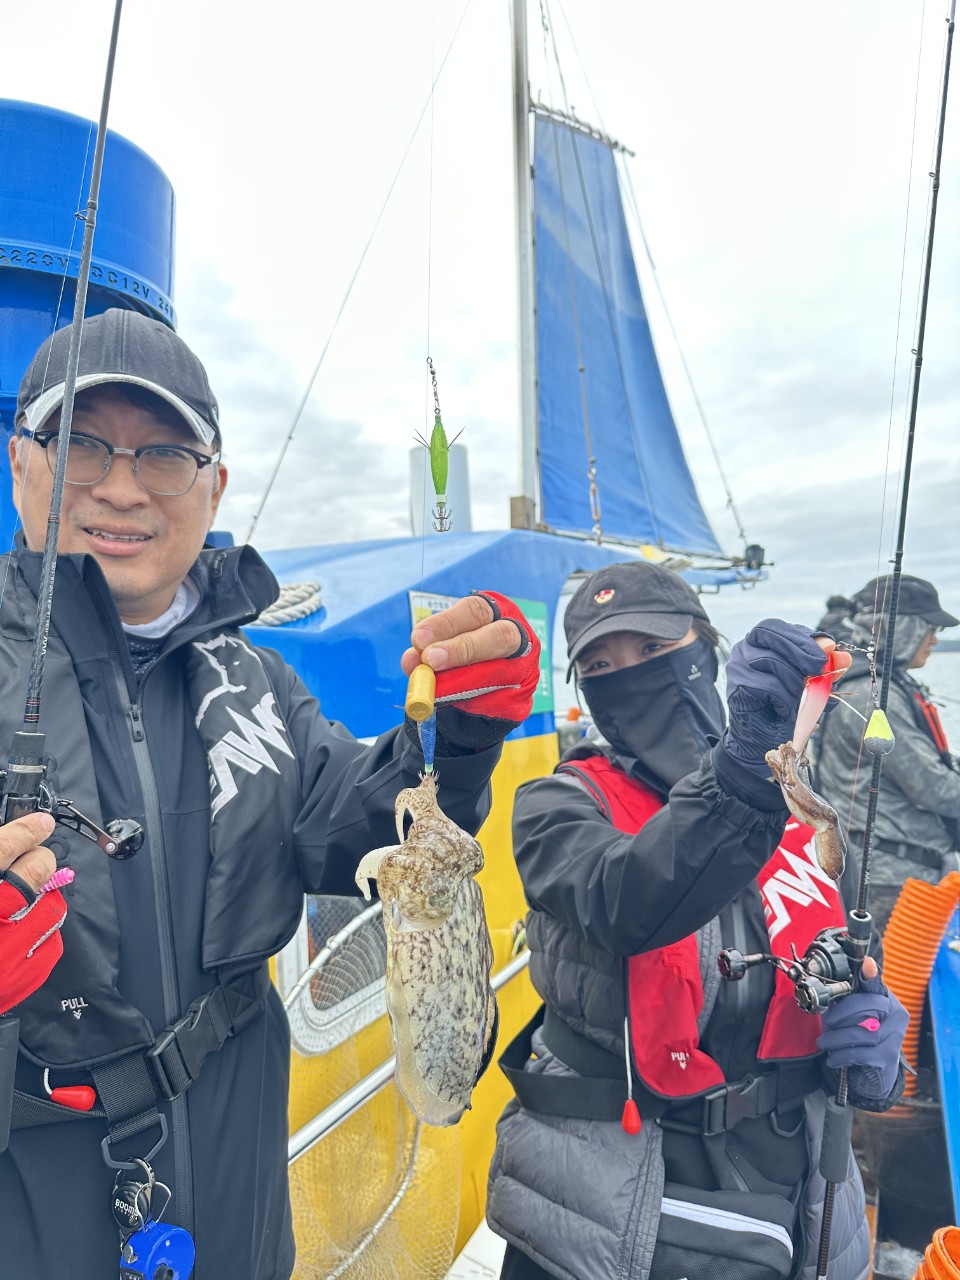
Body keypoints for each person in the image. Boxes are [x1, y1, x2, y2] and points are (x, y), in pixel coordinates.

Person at [0, 307, 541, 1280]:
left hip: (240, 1203)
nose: (121, 485)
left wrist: (463, 734)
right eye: (80, 444)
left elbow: (371, 830)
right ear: (19, 463)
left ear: (213, 486)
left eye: (165, 454)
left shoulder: (258, 684)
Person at [486, 562, 908, 1280]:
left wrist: (874, 1048)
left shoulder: (801, 803)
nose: (630, 673)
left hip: (793, 1189)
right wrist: (741, 775)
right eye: (599, 664)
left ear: (705, 650)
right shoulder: (557, 805)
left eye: (653, 648)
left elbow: (844, 952)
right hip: (612, 1203)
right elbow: (625, 900)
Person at [815, 573, 960, 931]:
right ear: (904, 628)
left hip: (890, 871)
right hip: (892, 882)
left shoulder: (873, 686)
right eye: (929, 627)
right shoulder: (874, 697)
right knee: (895, 969)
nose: (935, 638)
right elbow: (934, 788)